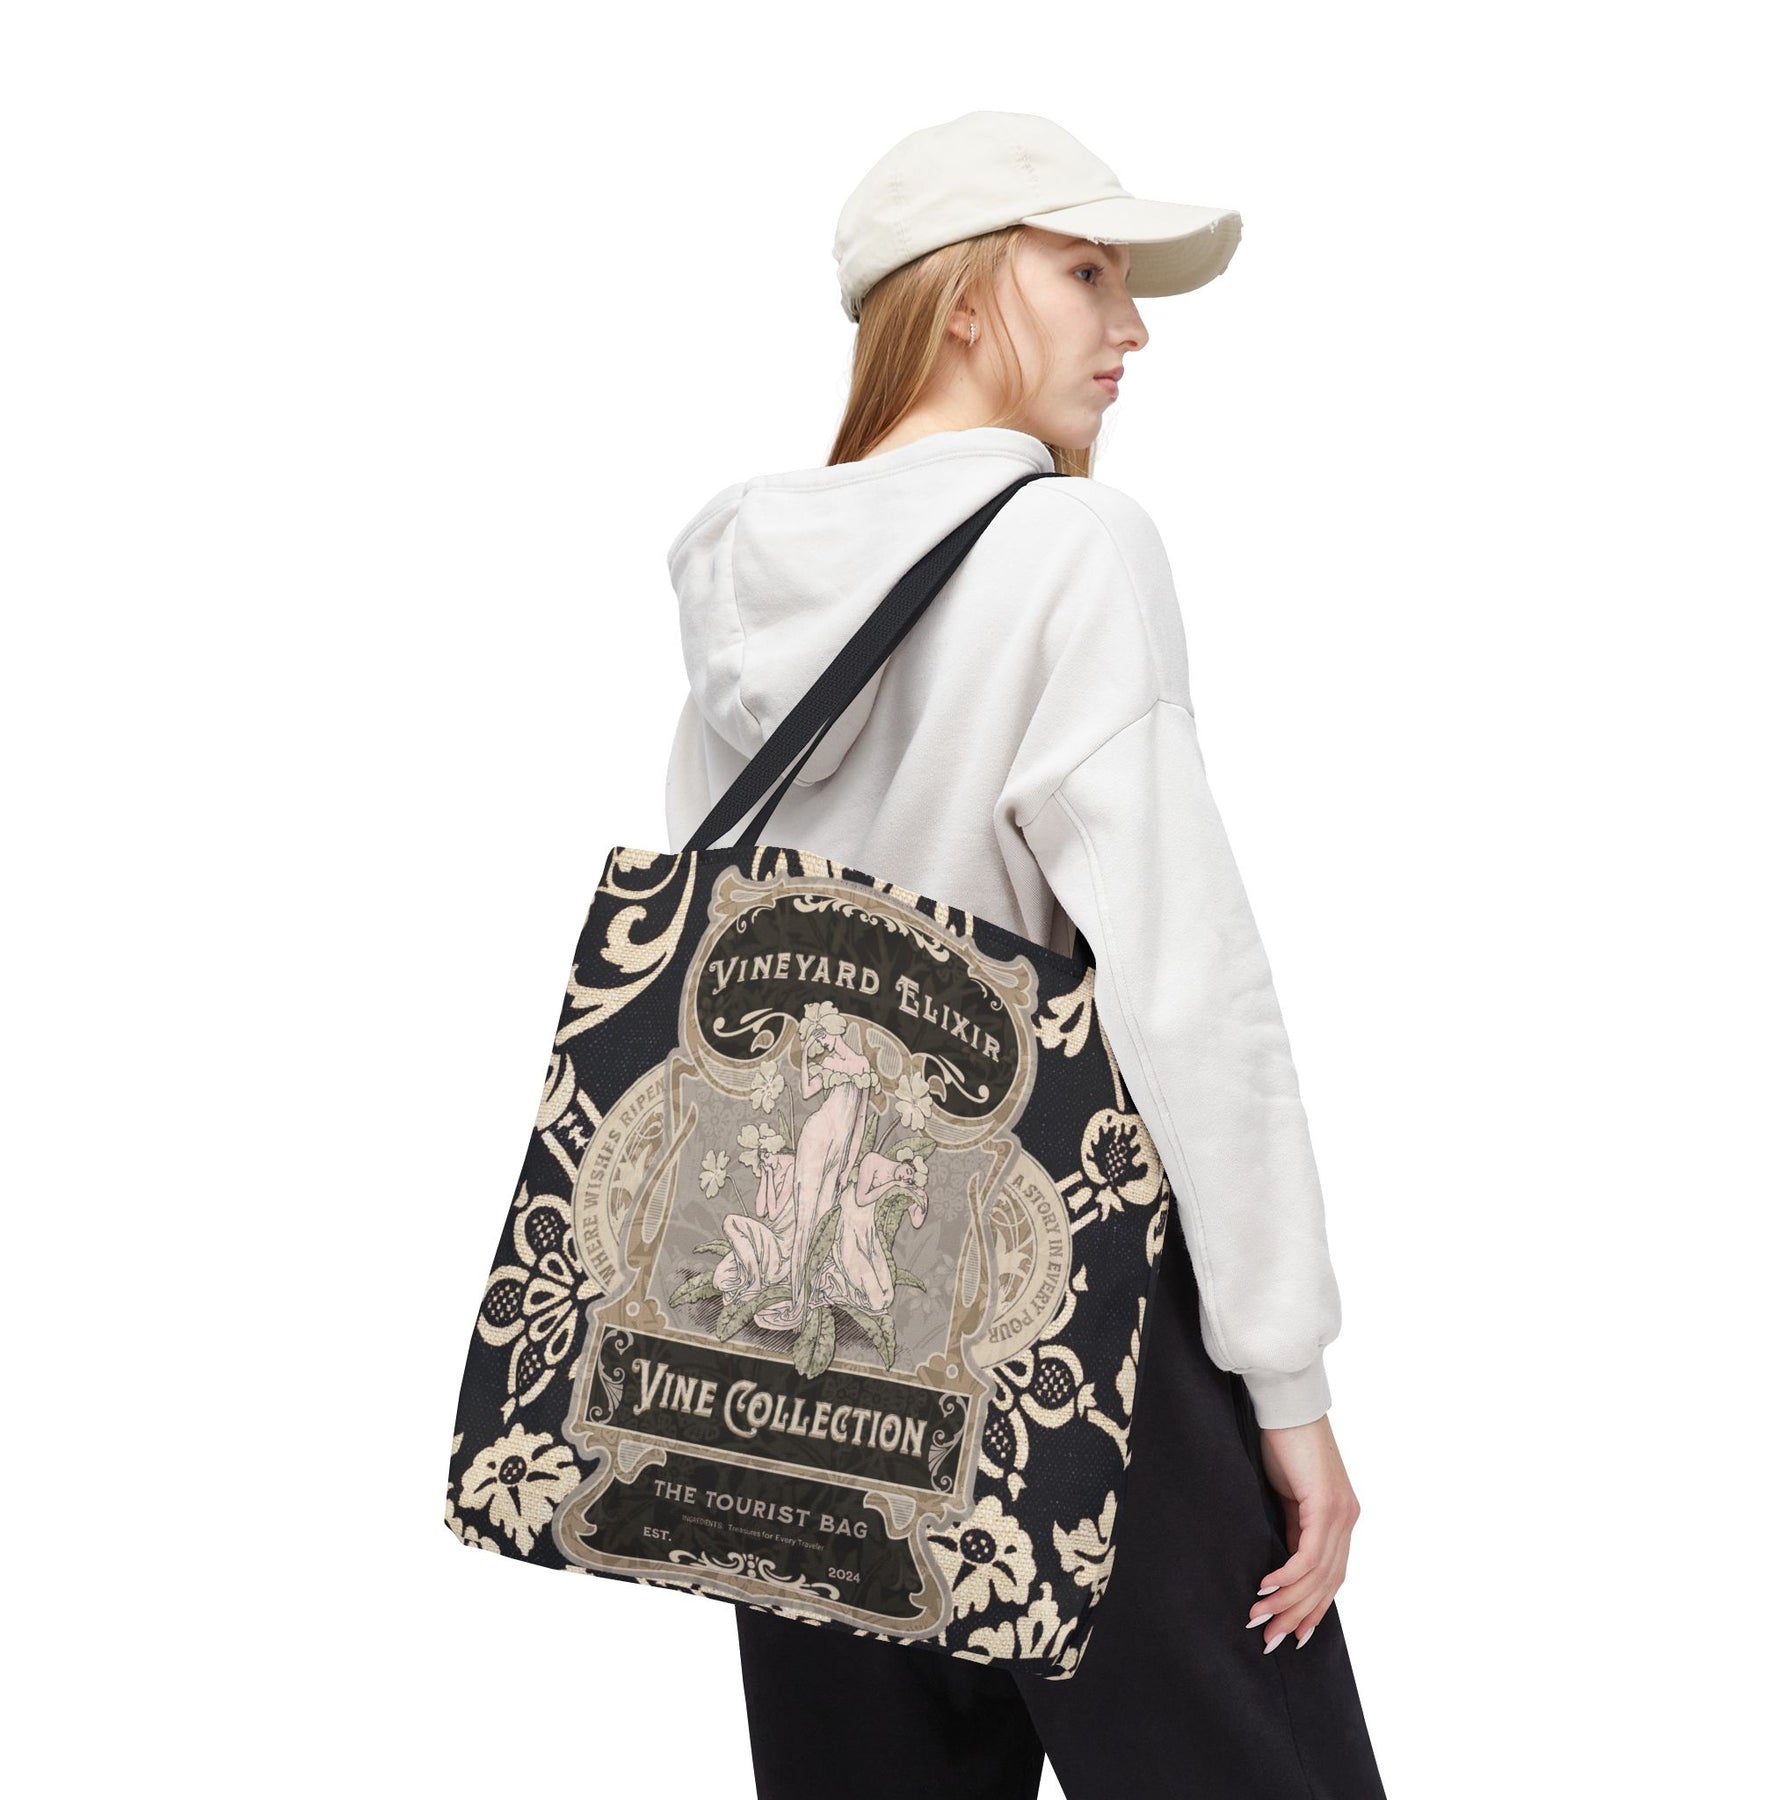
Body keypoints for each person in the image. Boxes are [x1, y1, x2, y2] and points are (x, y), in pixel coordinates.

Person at [663, 110, 1387, 1800]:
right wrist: (1284, 1379)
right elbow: (1186, 989)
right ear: (968, 296)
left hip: (785, 1332)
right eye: (1087, 275)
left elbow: (720, 958)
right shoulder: (1071, 545)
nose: (1131, 329)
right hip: (1065, 1303)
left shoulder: (742, 591)